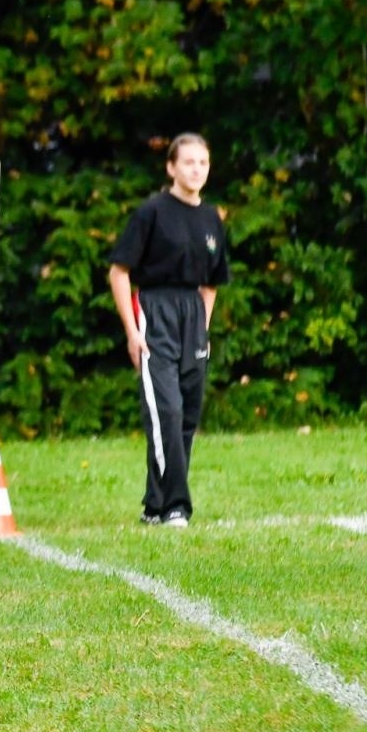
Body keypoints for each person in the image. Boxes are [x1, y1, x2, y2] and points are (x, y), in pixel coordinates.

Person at [107, 133, 230, 528]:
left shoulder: (212, 219)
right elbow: (119, 271)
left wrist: (203, 330)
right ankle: (177, 505)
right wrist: (132, 328)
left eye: (203, 163)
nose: (197, 169)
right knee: (167, 410)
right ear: (171, 167)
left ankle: (154, 504)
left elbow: (212, 283)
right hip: (155, 311)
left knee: (187, 414)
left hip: (193, 316)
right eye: (189, 162)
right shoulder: (152, 213)